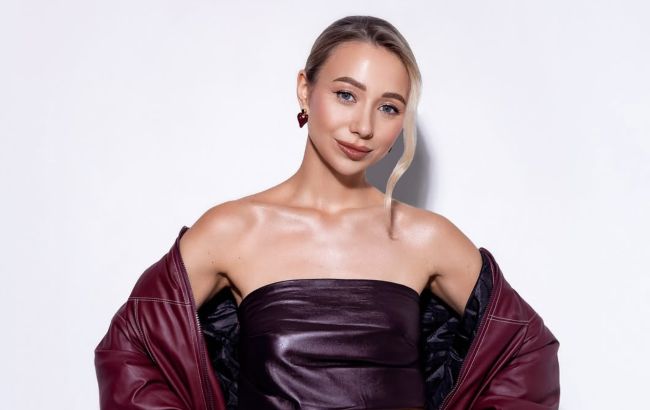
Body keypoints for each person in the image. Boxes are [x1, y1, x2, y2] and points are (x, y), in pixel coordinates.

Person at [94, 15, 560, 410]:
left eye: (388, 107)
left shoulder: (425, 238)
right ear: (305, 89)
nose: (363, 126)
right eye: (346, 95)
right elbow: (130, 350)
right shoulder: (233, 231)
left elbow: (527, 351)